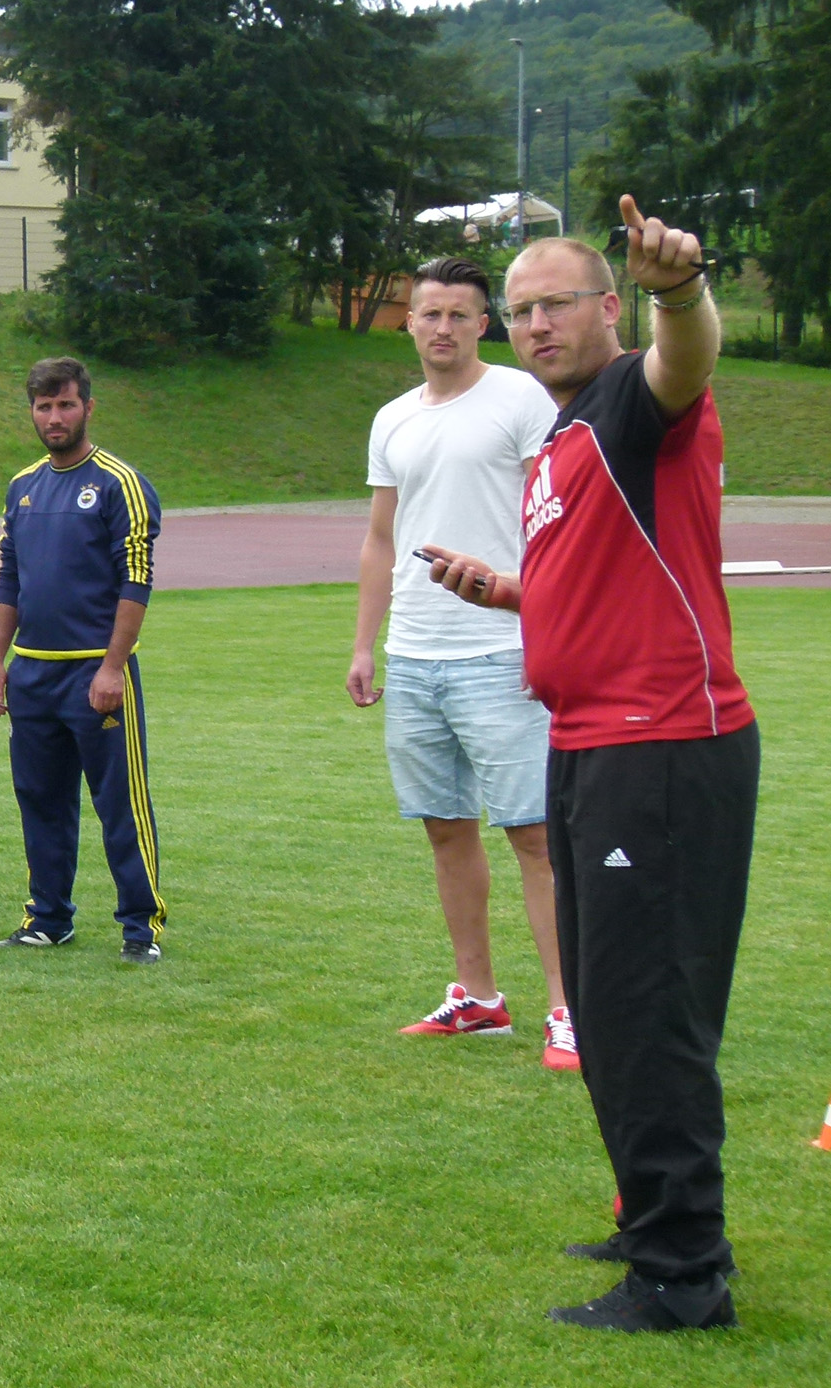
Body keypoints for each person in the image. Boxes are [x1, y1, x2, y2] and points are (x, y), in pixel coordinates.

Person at [424, 197, 752, 1333]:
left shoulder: (637, 398)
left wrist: (679, 288)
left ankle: (681, 1275)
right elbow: (602, 578)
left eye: (555, 302)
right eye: (518, 312)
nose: (534, 325)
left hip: (660, 744)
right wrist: (511, 590)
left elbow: (688, 355)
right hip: (589, 743)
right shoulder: (562, 440)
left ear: (608, 307)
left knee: (646, 1006)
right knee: (607, 1008)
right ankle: (647, 1212)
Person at [348, 257, 572, 1064]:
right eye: (427, 314)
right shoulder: (392, 419)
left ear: (485, 323)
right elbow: (382, 539)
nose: (440, 328)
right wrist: (365, 644)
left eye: (458, 315)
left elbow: (556, 522)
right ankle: (477, 998)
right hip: (415, 656)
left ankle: (566, 1008)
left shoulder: (518, 397)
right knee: (445, 830)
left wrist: (540, 626)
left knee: (534, 836)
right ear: (407, 321)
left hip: (501, 651)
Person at [0, 358, 167, 964]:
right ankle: (48, 918)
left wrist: (113, 667)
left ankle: (141, 929)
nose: (53, 417)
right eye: (43, 406)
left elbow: (135, 581)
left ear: (88, 406)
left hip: (95, 673)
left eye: (64, 405)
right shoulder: (22, 485)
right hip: (31, 673)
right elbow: (9, 579)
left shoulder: (120, 483)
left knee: (120, 803)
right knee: (40, 798)